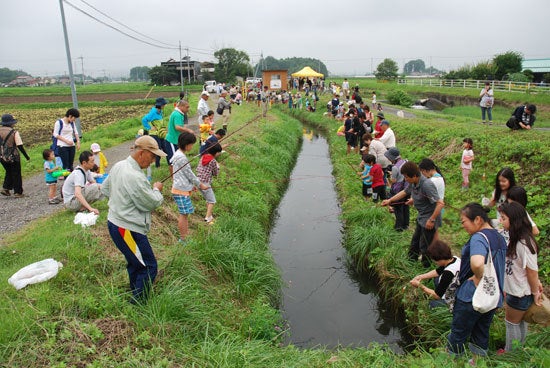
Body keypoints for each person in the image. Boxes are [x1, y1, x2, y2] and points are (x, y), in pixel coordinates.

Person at [101, 135, 166, 303]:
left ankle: (135, 292)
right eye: (152, 157)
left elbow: (105, 189)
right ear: (142, 153)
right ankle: (138, 304)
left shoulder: (119, 165)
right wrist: (157, 189)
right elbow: (151, 203)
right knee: (149, 266)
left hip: (115, 223)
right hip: (127, 229)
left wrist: (122, 202)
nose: (152, 161)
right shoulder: (135, 177)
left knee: (135, 263)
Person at [447, 203, 506, 360]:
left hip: (471, 296)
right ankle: (477, 362)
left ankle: (453, 361)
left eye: (464, 221)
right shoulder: (499, 237)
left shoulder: (479, 238)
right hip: (492, 295)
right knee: (481, 332)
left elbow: (478, 263)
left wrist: (479, 276)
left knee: (458, 334)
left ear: (478, 219)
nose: (463, 225)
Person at [497, 202, 543, 353]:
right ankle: (519, 349)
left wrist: (536, 292)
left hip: (519, 293)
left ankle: (510, 353)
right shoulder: (515, 238)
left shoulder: (524, 243)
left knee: (511, 324)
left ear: (514, 220)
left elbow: (532, 271)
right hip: (516, 290)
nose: (500, 221)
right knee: (520, 322)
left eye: (503, 218)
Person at [381, 161, 444, 267]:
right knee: (415, 241)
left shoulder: (427, 185)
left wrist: (432, 220)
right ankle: (410, 262)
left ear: (415, 175)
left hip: (429, 219)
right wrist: (390, 200)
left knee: (425, 245)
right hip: (421, 217)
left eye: (406, 177)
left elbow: (440, 203)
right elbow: (405, 192)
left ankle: (426, 267)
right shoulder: (413, 183)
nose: (405, 179)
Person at [171, 132, 209, 243]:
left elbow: (182, 175)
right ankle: (183, 239)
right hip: (180, 190)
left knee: (185, 214)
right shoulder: (181, 158)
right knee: (183, 215)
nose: (192, 147)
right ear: (186, 144)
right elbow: (189, 174)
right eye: (191, 144)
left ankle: (185, 237)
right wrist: (199, 184)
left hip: (182, 188)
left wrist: (191, 186)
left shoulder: (178, 154)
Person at [410, 240, 461, 309]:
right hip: (456, 286)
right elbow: (438, 271)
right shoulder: (455, 259)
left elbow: (437, 296)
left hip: (453, 297)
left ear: (439, 259)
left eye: (434, 260)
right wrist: (421, 277)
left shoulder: (448, 273)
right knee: (436, 278)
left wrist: (420, 286)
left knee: (430, 305)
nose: (434, 262)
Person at [0, 114, 30, 198]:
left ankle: (6, 188)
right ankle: (18, 192)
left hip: (2, 156)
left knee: (9, 171)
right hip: (13, 156)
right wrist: (26, 156)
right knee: (16, 173)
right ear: (11, 123)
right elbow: (19, 145)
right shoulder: (14, 132)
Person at [384, 147, 409, 231]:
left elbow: (393, 180)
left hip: (398, 189)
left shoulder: (395, 168)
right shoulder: (406, 161)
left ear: (391, 157)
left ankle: (399, 227)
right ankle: (406, 225)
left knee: (398, 208)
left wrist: (391, 175)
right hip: (407, 187)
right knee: (405, 206)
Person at [197, 142, 222, 224]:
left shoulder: (203, 157)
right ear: (217, 152)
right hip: (205, 183)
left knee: (208, 199)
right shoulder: (213, 161)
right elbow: (215, 174)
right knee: (212, 201)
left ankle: (210, 216)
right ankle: (207, 219)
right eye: (219, 152)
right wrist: (218, 167)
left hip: (197, 181)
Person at [164, 99, 193, 170]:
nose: (188, 109)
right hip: (172, 140)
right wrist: (188, 130)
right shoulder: (177, 114)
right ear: (181, 106)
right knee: (173, 161)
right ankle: (173, 179)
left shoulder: (179, 113)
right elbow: (177, 127)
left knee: (177, 160)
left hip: (176, 140)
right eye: (187, 107)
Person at [141, 97, 168, 169]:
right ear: (160, 105)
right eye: (164, 104)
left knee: (165, 148)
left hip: (161, 133)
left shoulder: (160, 112)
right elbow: (144, 120)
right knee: (158, 149)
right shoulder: (153, 112)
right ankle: (157, 165)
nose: (164, 105)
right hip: (154, 134)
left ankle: (170, 163)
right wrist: (149, 128)